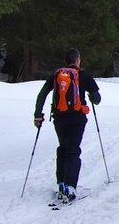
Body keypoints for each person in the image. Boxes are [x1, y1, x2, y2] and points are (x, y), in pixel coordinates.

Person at [34, 48, 101, 203]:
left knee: (63, 148)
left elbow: (42, 94)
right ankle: (70, 187)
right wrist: (91, 96)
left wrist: (38, 114)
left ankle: (61, 184)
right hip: (77, 118)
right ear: (78, 60)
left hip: (59, 118)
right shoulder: (84, 75)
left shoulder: (56, 75)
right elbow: (97, 99)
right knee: (73, 150)